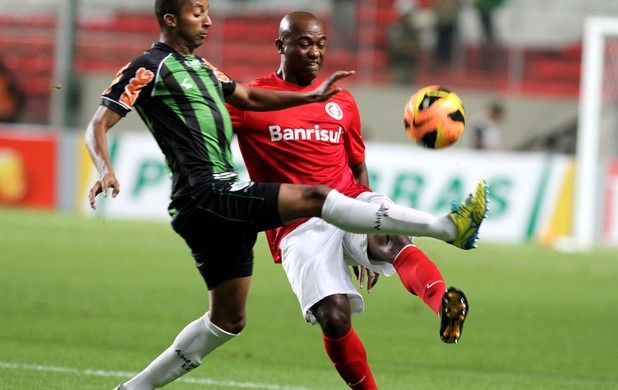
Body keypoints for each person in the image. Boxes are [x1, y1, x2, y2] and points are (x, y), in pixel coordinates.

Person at [84, 1, 487, 388]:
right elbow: (121, 120)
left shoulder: (326, 98)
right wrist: (108, 166)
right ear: (281, 46)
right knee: (329, 304)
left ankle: (443, 285)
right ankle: (443, 228)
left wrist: (315, 101)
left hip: (328, 201)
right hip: (259, 213)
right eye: (197, 13)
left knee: (234, 317)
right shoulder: (171, 73)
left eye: (321, 44)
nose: (207, 21)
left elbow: (346, 156)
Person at [227, 11, 480, 389]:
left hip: (349, 198)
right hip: (297, 223)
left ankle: (444, 300)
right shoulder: (251, 100)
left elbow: (358, 167)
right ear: (281, 46)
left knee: (390, 240)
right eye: (304, 43)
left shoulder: (342, 101)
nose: (314, 52)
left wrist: (363, 230)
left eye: (321, 44)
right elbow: (204, 131)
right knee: (334, 315)